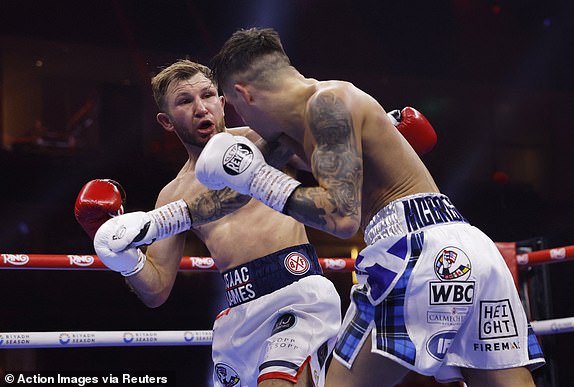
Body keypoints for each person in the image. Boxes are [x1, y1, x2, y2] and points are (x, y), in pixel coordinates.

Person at [195, 27, 546, 386]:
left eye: (236, 109)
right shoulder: (311, 119)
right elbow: (228, 198)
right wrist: (154, 224)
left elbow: (340, 216)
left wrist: (256, 177)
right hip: (469, 247)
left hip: (411, 250)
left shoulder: (325, 105)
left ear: (243, 95)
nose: (243, 124)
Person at [74, 59, 342, 387]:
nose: (201, 108)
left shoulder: (266, 141)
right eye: (185, 101)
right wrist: (122, 257)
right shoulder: (173, 194)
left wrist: (381, 136)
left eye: (208, 95)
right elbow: (156, 289)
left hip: (297, 295)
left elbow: (333, 156)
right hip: (240, 313)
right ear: (167, 120)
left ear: (222, 102)